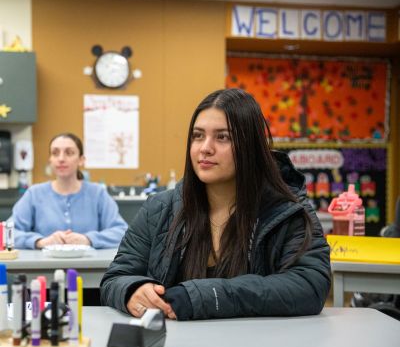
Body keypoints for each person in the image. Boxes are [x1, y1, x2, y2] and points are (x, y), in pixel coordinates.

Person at [100, 88, 331, 320]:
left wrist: (205, 296)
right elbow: (116, 278)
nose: (205, 148)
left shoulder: (286, 211)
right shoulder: (159, 209)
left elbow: (309, 285)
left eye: (223, 137)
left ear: (250, 146)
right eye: (198, 135)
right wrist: (133, 290)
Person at [12, 133, 127, 249]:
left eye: (69, 153)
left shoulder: (98, 194)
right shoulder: (34, 194)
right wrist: (39, 241)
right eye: (55, 153)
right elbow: (8, 232)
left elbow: (122, 232)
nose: (61, 159)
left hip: (90, 266)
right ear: (50, 160)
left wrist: (88, 239)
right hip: (44, 265)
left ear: (81, 160)